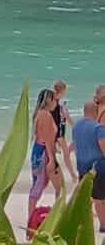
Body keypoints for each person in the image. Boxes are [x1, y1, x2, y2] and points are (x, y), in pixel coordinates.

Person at [69, 97, 104, 230]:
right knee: (100, 197)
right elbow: (103, 148)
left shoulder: (76, 127)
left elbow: (76, 147)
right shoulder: (98, 128)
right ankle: (103, 225)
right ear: (95, 112)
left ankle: (83, 223)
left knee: (86, 196)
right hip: (98, 167)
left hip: (82, 166)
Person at [30, 85, 64, 219]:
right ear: (49, 100)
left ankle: (33, 215)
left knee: (40, 184)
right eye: (54, 100)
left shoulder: (39, 114)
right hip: (44, 152)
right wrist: (51, 159)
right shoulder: (45, 115)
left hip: (38, 151)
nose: (56, 102)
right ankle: (55, 216)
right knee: (46, 185)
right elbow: (47, 139)